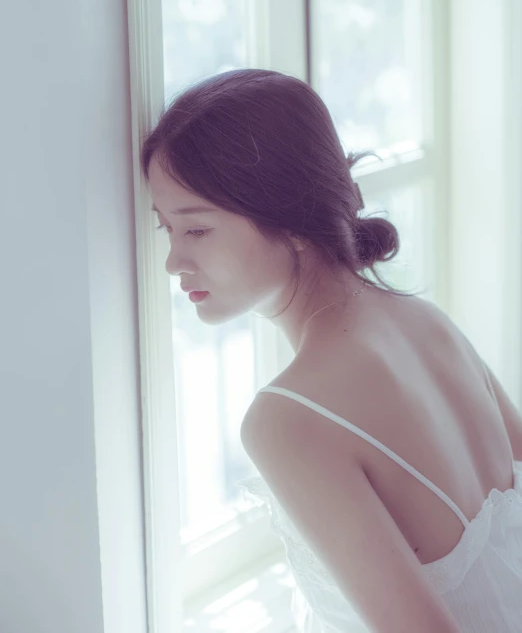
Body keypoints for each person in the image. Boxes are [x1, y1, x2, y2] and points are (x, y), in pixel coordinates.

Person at [141, 68, 522, 633]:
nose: (174, 261)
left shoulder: (288, 419)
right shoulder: (428, 323)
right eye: (164, 229)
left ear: (291, 218)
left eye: (196, 230)